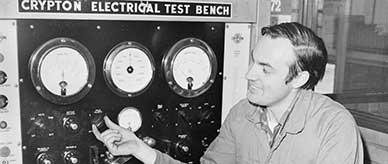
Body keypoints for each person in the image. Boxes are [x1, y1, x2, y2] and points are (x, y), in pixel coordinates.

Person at [92, 22, 364, 164]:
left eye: (265, 69)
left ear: (299, 78)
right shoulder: (242, 114)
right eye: (253, 61)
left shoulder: (334, 126)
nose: (249, 74)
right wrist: (140, 149)